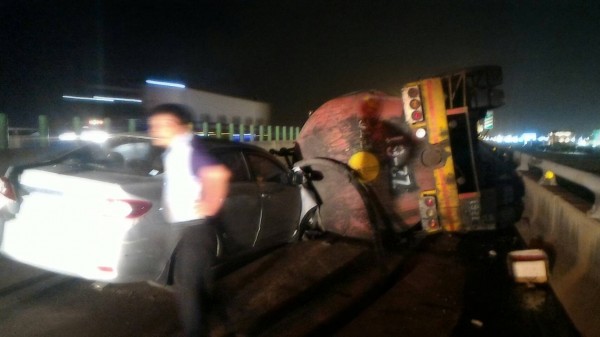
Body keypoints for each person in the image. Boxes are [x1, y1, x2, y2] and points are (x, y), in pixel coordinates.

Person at [148, 103, 231, 337]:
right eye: (153, 125)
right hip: (187, 228)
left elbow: (217, 174)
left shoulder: (187, 149)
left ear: (180, 126)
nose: (154, 129)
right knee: (197, 285)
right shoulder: (176, 150)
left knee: (188, 289)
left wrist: (210, 203)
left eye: (162, 125)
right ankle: (218, 321)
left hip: (193, 229)